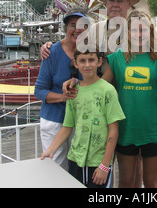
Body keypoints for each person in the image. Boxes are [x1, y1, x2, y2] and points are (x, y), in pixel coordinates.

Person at [63, 10, 157, 188]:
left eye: (143, 30)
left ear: (150, 31)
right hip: (126, 129)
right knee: (126, 182)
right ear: (127, 32)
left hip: (154, 130)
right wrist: (75, 81)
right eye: (134, 30)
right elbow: (98, 85)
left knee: (151, 182)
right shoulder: (117, 58)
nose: (139, 34)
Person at [41, 48, 125, 188]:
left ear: (99, 62)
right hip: (76, 159)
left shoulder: (108, 90)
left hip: (98, 161)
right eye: (82, 61)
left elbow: (113, 130)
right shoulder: (74, 91)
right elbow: (67, 127)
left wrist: (105, 165)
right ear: (75, 63)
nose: (87, 65)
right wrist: (50, 151)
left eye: (91, 60)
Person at [34, 8, 88, 169]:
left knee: (78, 168)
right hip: (55, 120)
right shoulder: (51, 52)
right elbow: (39, 91)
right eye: (72, 25)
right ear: (65, 29)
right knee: (56, 167)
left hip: (80, 121)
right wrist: (63, 97)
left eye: (82, 25)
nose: (77, 29)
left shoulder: (90, 52)